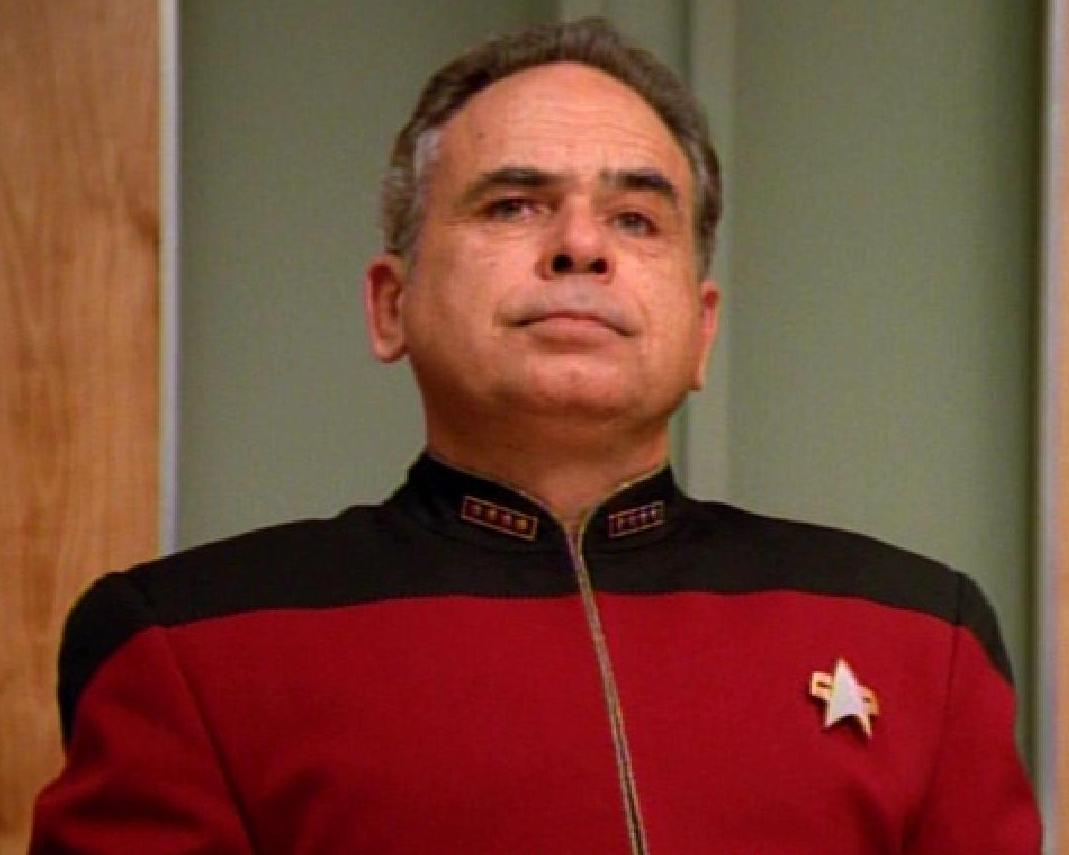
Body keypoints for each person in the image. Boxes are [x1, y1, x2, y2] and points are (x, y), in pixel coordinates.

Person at [30, 17, 1040, 854]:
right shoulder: (190, 648)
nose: (580, 245)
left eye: (636, 219)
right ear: (389, 305)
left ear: (702, 329)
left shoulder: (920, 640)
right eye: (514, 205)